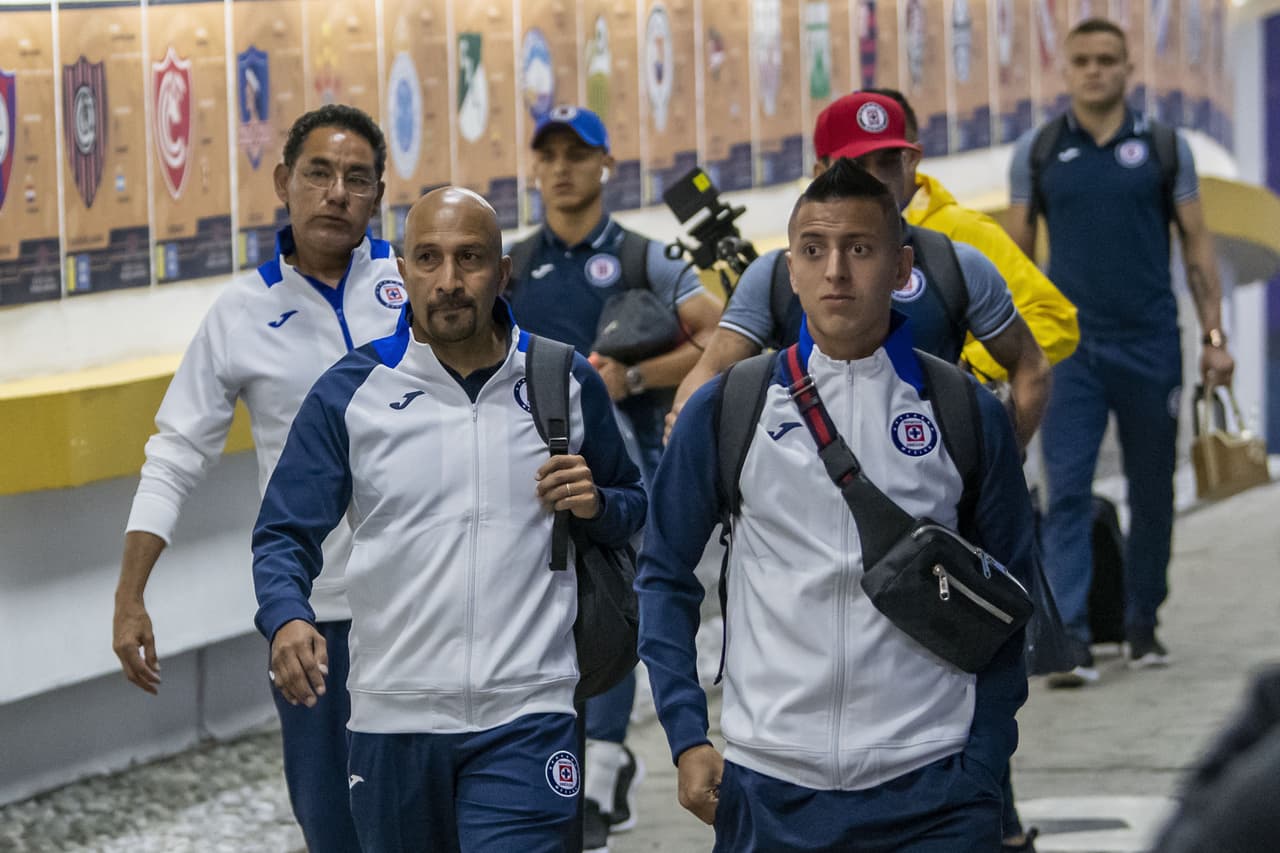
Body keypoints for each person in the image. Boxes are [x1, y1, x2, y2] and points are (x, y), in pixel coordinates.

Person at [638, 160, 1034, 851]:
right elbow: (663, 575)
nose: (836, 272)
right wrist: (686, 734)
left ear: (901, 265)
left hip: (935, 786)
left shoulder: (963, 410)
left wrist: (984, 757)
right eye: (814, 249)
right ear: (789, 267)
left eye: (860, 247)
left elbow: (1013, 591)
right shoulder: (730, 408)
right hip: (772, 786)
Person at [252, 187, 647, 851]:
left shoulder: (563, 380)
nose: (450, 280)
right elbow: (283, 532)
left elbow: (633, 504)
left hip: (532, 711)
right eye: (429, 259)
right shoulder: (351, 394)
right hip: (392, 716)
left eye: (470, 259)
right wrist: (287, 614)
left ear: (501, 270)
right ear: (402, 273)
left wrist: (598, 503)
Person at [111, 104, 402, 853]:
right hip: (309, 619)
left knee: (429, 817)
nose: (337, 192)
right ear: (283, 182)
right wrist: (130, 593)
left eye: (356, 178)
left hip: (423, 603)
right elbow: (176, 453)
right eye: (319, 173)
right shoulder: (240, 313)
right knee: (332, 824)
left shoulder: (421, 283)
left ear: (378, 193)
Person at [507, 104, 723, 850]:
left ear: (607, 164)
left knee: (612, 610)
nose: (563, 167)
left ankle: (598, 775)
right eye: (550, 154)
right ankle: (565, 768)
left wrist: (634, 375)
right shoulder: (511, 263)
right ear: (534, 167)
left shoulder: (643, 257)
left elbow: (718, 333)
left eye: (578, 153)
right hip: (528, 482)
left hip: (627, 472)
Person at [1006, 17, 1235, 686]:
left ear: (1128, 68)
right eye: (1083, 60)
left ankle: (1142, 622)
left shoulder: (1164, 147)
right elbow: (1016, 257)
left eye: (1108, 59)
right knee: (1067, 488)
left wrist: (1215, 337)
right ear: (1066, 69)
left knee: (1153, 488)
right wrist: (1014, 348)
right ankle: (1070, 636)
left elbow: (1197, 246)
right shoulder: (1039, 151)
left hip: (1151, 342)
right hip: (1071, 352)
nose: (1096, 70)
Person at [672, 90, 1059, 451]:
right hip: (805, 493)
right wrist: (690, 440)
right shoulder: (775, 274)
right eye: (856, 164)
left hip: (932, 496)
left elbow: (1031, 367)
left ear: (909, 165)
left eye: (889, 161)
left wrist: (1000, 467)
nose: (876, 177)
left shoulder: (956, 264)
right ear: (820, 170)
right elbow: (709, 374)